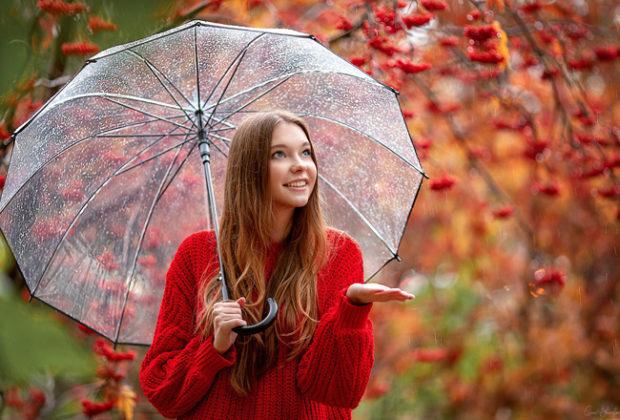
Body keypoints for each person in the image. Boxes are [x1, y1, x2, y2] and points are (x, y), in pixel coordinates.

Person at [139, 110, 414, 419]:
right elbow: (163, 392)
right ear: (250, 169)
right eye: (279, 154)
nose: (300, 165)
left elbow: (339, 392)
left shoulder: (338, 254)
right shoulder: (198, 255)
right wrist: (213, 347)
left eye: (306, 152)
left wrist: (351, 310)